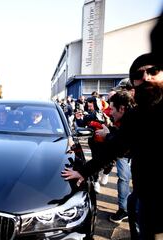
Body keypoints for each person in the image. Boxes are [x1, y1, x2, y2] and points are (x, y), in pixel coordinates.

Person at [62, 53, 163, 239]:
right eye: (139, 75)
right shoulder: (137, 116)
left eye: (153, 72)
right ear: (134, 83)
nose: (146, 77)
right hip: (144, 193)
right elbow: (115, 149)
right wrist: (83, 172)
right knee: (133, 205)